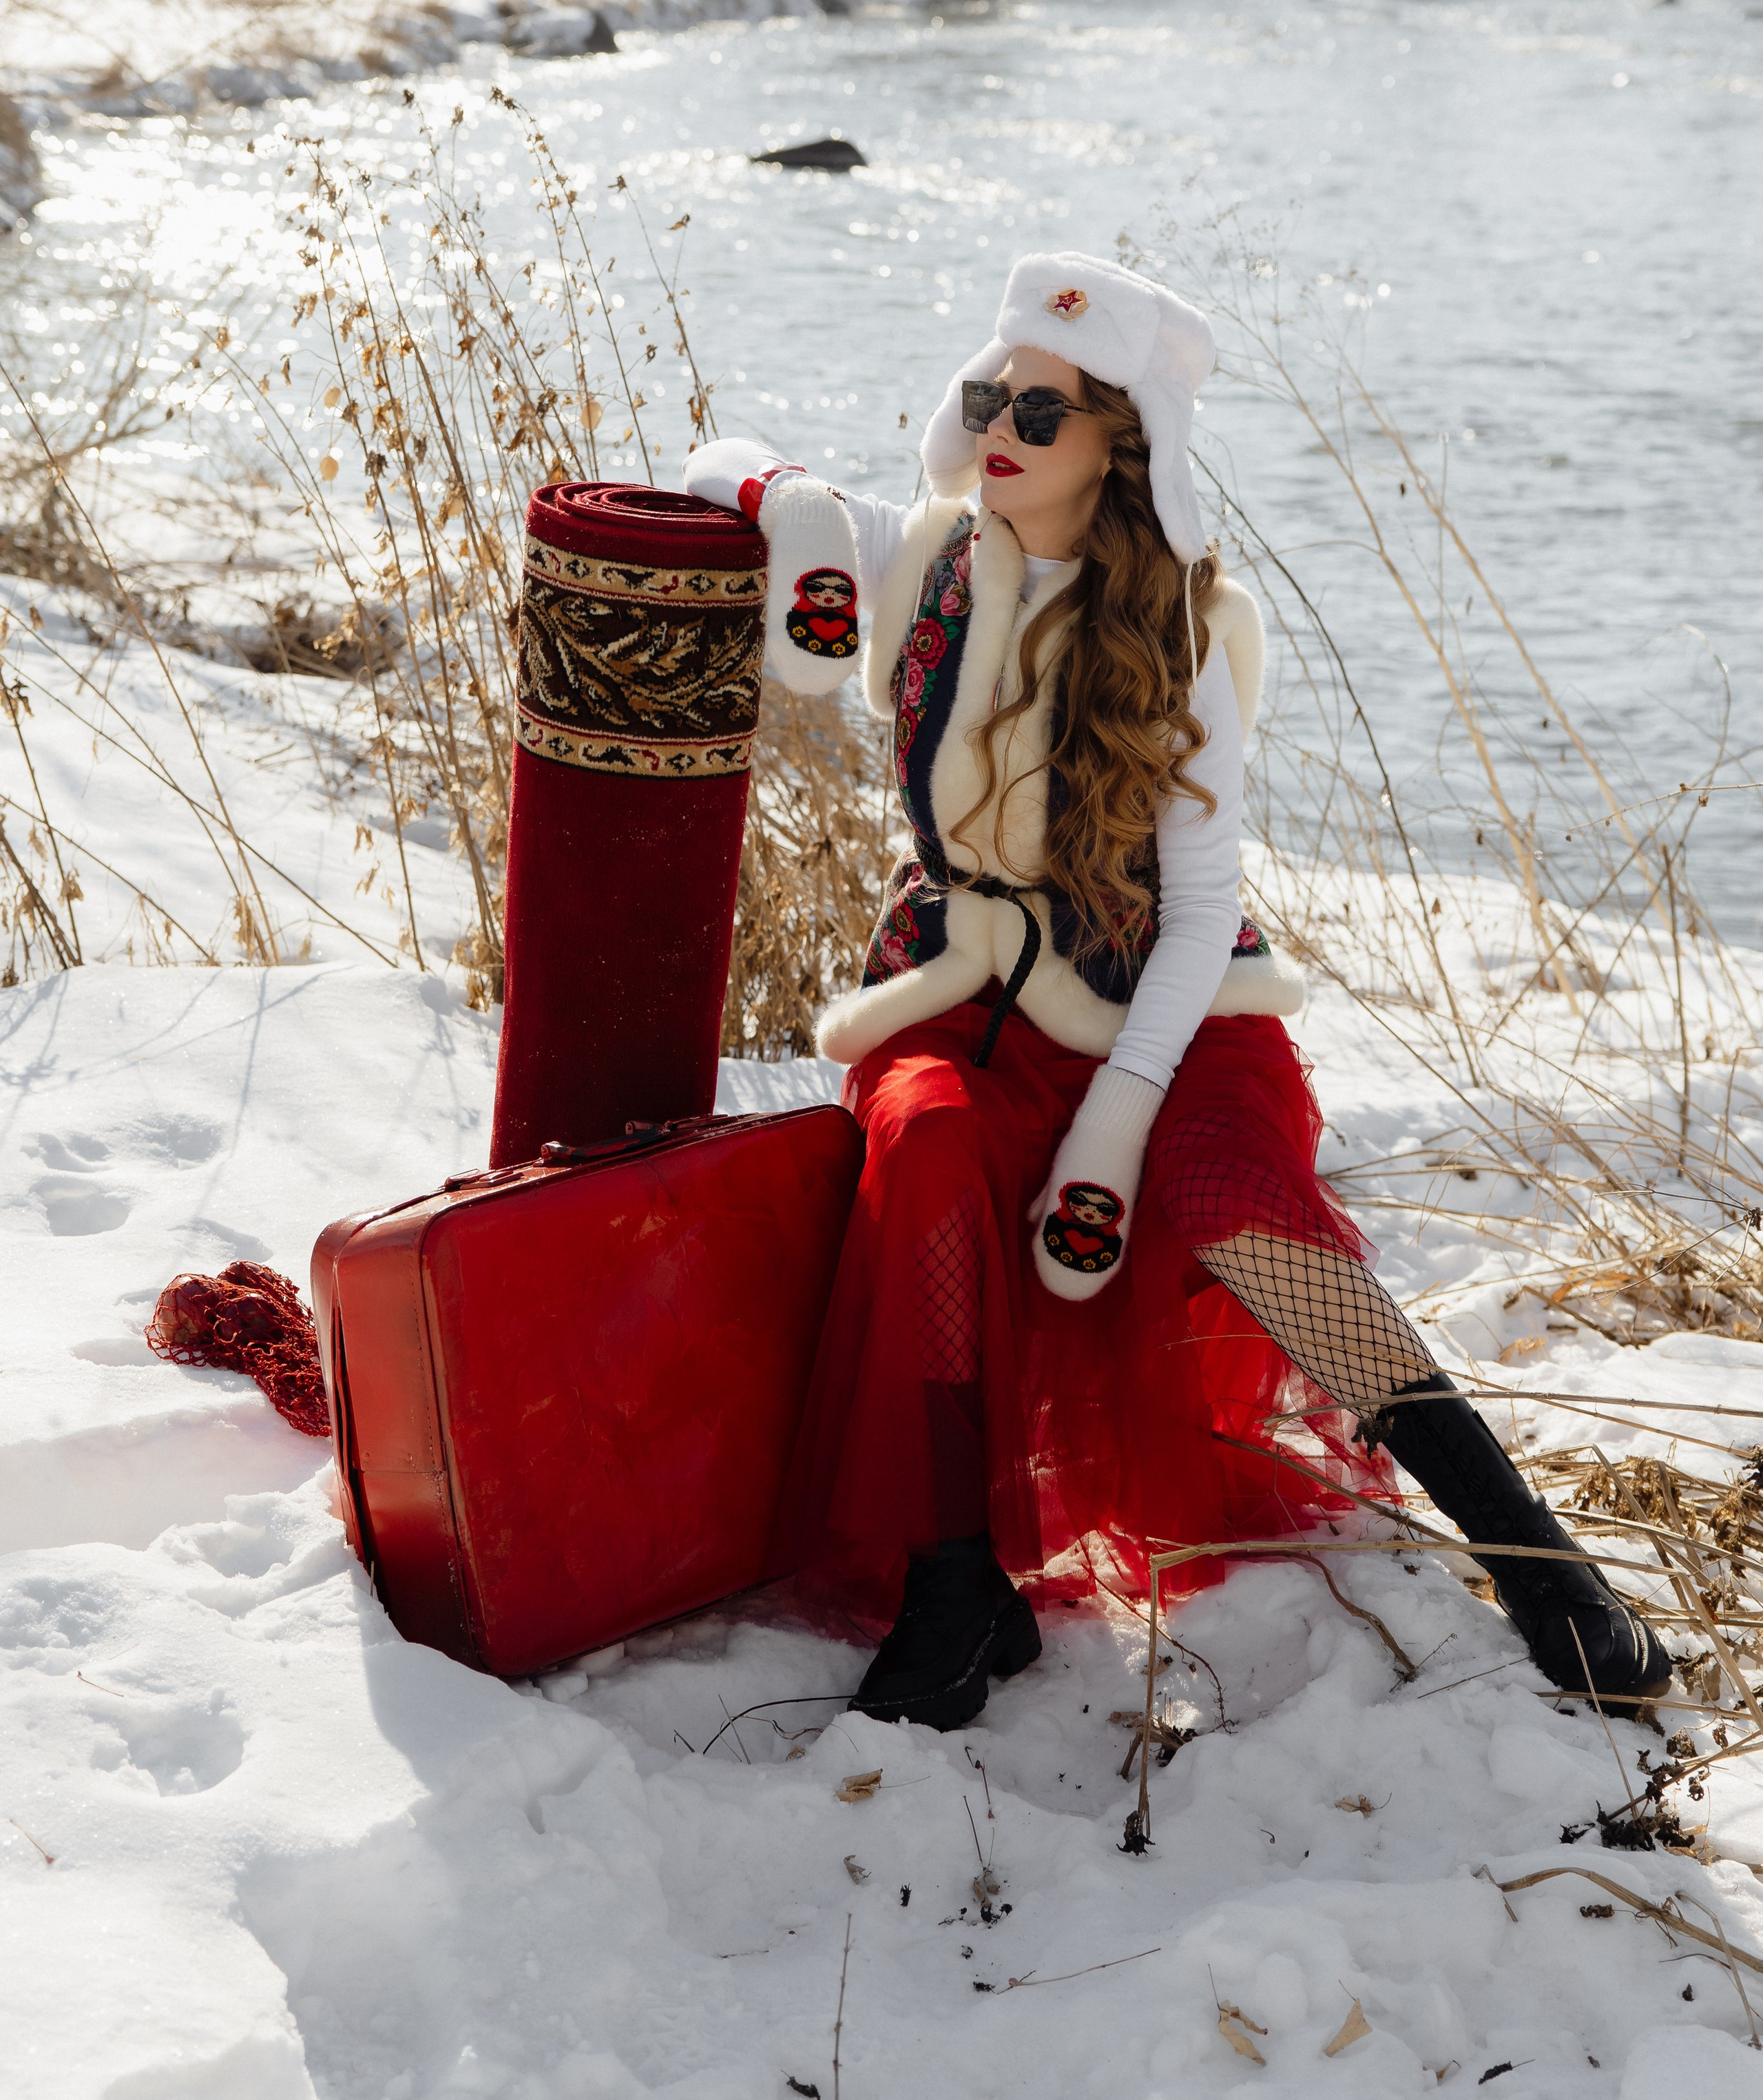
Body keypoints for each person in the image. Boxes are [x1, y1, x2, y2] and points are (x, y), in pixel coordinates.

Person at [685, 253, 1669, 1733]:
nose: (1002, 425)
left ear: (1119, 444)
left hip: (1159, 1004)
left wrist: (1116, 1121)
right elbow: (709, 458)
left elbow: (1203, 909)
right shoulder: (920, 554)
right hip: (949, 990)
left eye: (1044, 409)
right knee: (927, 1148)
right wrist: (802, 512)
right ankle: (960, 1592)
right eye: (986, 396)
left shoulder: (1185, 632)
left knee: (1233, 1206)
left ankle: (1529, 1554)